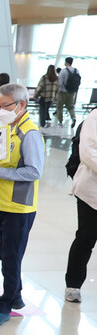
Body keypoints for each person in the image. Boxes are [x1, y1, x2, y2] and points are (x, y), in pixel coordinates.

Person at [0, 83, 45, 324]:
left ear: (21, 105)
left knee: (12, 256)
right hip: (2, 203)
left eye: (5, 106)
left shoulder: (29, 133)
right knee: (5, 253)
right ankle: (15, 296)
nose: (0, 110)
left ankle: (6, 303)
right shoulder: (9, 128)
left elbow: (34, 171)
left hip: (19, 207)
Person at [65, 108, 97, 303]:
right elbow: (88, 154)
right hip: (91, 192)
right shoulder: (94, 117)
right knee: (86, 238)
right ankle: (73, 284)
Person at [57, 57, 81, 128]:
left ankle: (60, 122)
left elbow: (60, 83)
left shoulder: (63, 71)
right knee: (70, 107)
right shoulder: (76, 71)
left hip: (63, 92)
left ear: (66, 62)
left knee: (59, 107)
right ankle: (73, 117)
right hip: (72, 93)